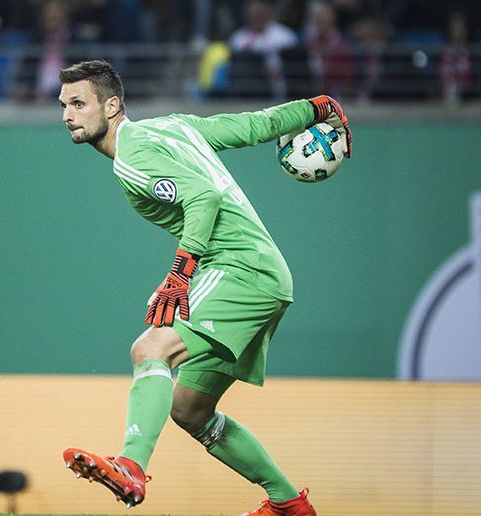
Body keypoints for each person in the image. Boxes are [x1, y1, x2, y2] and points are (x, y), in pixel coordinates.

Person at [56, 60, 352, 515]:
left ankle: (131, 467)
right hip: (262, 273)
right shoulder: (173, 127)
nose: (68, 115)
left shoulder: (132, 158)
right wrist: (317, 107)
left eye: (79, 103)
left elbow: (203, 196)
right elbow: (258, 125)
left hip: (239, 269)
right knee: (190, 409)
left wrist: (180, 272)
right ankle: (288, 504)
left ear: (112, 105)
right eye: (64, 105)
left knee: (150, 349)